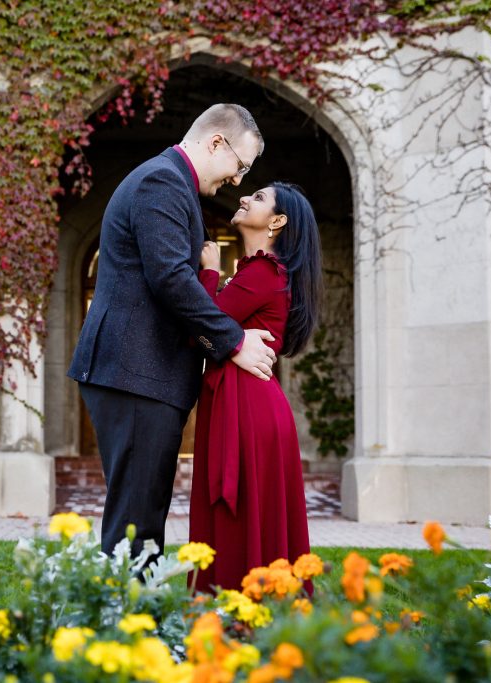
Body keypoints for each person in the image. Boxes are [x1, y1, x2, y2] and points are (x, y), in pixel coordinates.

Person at [68, 104, 278, 561]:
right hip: (134, 374)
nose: (238, 182)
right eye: (240, 166)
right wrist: (235, 341)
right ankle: (127, 628)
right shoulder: (161, 181)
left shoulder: (171, 183)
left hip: (141, 376)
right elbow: (169, 279)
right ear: (215, 142)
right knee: (136, 525)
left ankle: (134, 625)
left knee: (140, 518)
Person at [189, 181, 322, 593]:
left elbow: (203, 322)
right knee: (250, 514)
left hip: (246, 404)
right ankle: (253, 611)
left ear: (277, 221)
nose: (245, 197)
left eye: (259, 197)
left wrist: (209, 271)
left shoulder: (264, 272)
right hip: (248, 400)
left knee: (239, 512)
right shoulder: (258, 272)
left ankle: (236, 609)